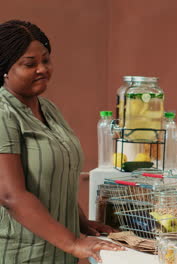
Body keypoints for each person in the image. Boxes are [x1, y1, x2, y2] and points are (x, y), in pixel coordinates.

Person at [0, 20, 124, 263]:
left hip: (58, 253)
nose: (42, 69)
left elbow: (57, 177)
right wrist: (73, 242)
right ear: (4, 69)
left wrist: (80, 223)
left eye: (45, 60)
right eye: (29, 64)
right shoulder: (4, 114)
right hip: (20, 254)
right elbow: (9, 195)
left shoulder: (48, 109)